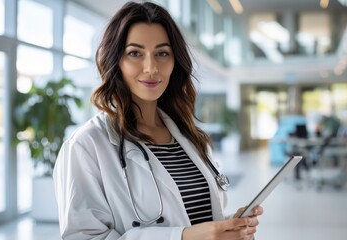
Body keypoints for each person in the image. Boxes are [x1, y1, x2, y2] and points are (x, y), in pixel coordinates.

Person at [53, 1, 263, 239]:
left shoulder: (191, 137)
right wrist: (183, 237)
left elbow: (198, 220)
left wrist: (227, 227)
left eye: (162, 53)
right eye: (135, 53)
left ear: (175, 62)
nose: (151, 67)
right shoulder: (86, 145)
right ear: (115, 61)